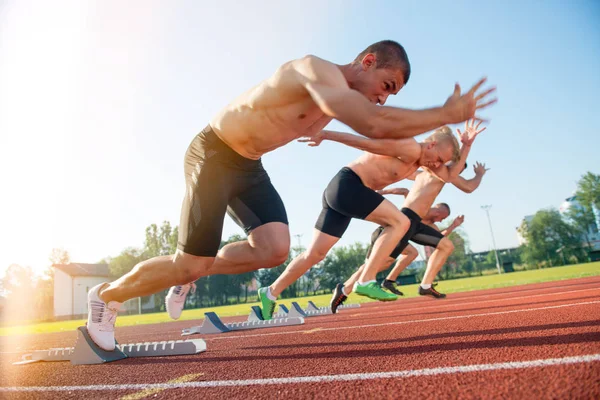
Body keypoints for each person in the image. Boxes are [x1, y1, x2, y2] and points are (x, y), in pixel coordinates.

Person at [85, 40, 496, 351]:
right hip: (213, 153)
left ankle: (192, 274)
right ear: (367, 61)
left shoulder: (343, 98)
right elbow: (374, 124)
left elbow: (377, 122)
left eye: (391, 94)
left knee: (275, 248)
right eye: (386, 85)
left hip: (248, 166)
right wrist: (444, 113)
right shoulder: (314, 70)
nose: (383, 96)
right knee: (187, 263)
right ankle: (105, 297)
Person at [259, 124, 475, 319]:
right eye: (438, 158)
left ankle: (270, 292)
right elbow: (366, 142)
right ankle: (366, 280)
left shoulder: (422, 165)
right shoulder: (408, 147)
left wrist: (466, 147)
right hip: (349, 185)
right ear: (431, 144)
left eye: (441, 163)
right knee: (401, 222)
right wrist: (326, 134)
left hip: (342, 192)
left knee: (315, 254)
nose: (437, 164)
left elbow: (449, 176)